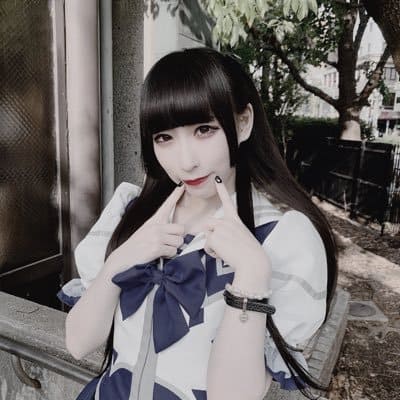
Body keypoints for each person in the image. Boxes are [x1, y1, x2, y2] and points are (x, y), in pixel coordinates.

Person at [58, 47, 338, 400]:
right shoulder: (131, 211)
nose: (186, 161)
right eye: (164, 138)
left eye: (204, 130)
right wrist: (121, 259)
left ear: (243, 123)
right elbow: (78, 343)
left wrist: (251, 276)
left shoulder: (282, 237)